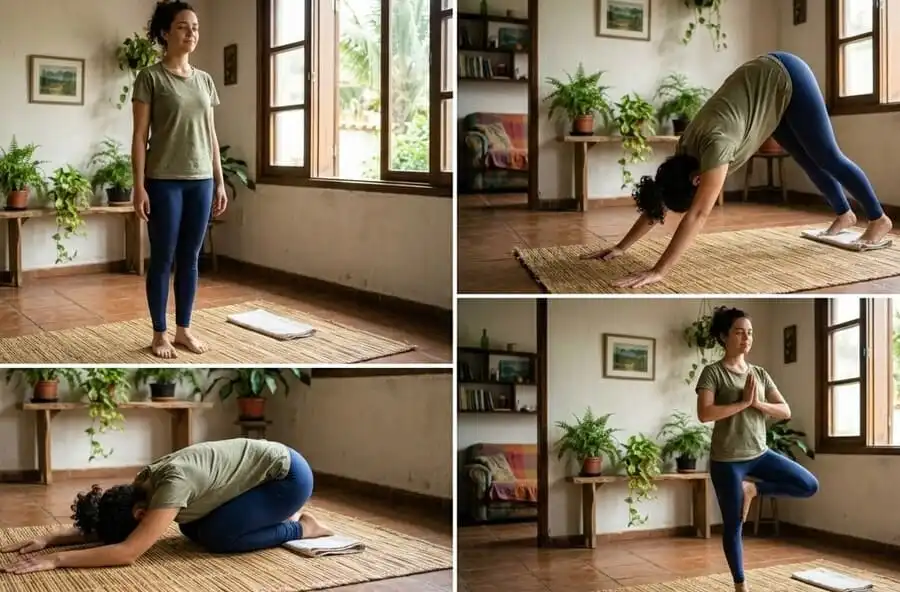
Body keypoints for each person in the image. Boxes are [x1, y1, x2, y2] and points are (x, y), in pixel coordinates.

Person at [582, 51, 893, 289]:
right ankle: (844, 215)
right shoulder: (682, 157)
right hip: (765, 87)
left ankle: (879, 218)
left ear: (698, 179)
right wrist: (621, 247)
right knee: (806, 158)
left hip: (786, 75)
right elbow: (660, 196)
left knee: (828, 156)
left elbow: (698, 215)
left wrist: (659, 270)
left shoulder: (714, 148)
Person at [0, 438, 332, 575]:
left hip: (288, 479)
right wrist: (50, 539)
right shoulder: (141, 487)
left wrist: (57, 561)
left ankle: (302, 526)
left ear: (140, 514)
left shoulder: (172, 486)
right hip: (260, 477)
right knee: (190, 527)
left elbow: (128, 551)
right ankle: (269, 514)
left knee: (219, 538)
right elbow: (112, 528)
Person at [695, 306, 818, 592]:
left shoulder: (760, 373)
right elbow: (705, 413)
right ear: (724, 336)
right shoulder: (712, 373)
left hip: (760, 454)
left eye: (749, 333)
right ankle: (740, 585)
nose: (746, 338)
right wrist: (741, 403)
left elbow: (784, 410)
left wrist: (757, 404)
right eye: (739, 332)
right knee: (734, 524)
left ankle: (754, 489)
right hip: (727, 461)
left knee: (808, 484)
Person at [132, 1, 228, 358]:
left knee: (190, 259)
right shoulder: (150, 78)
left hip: (201, 181)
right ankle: (160, 332)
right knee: (162, 257)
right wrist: (139, 185)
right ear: (165, 33)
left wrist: (219, 181)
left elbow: (211, 135)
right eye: (184, 27)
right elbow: (140, 136)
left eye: (196, 28)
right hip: (163, 181)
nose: (192, 33)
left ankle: (184, 330)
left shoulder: (204, 80)